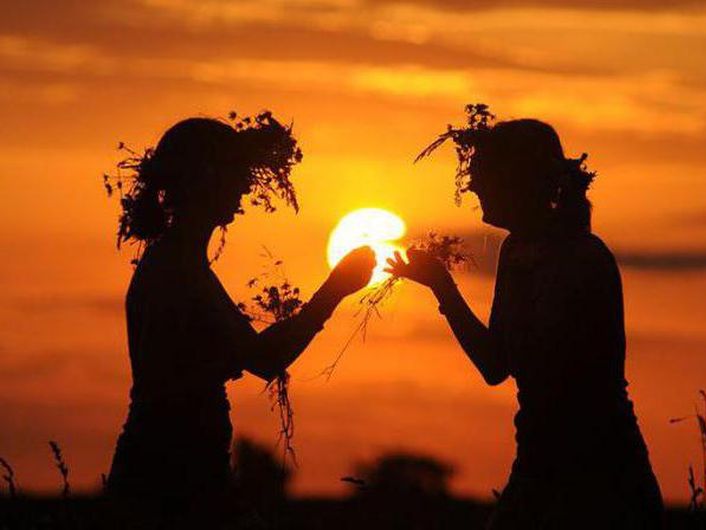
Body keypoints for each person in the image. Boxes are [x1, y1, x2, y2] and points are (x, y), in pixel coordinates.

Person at [388, 110, 664, 529]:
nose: (472, 184)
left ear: (516, 181)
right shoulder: (516, 252)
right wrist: (441, 286)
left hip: (598, 472)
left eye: (482, 173)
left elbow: (546, 372)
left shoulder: (581, 258)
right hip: (540, 463)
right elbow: (495, 366)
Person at [105, 116, 375, 527]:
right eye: (235, 174)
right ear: (205, 179)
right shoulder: (179, 269)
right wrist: (334, 290)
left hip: (172, 468)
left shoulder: (176, 261)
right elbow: (264, 358)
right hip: (170, 476)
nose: (245, 189)